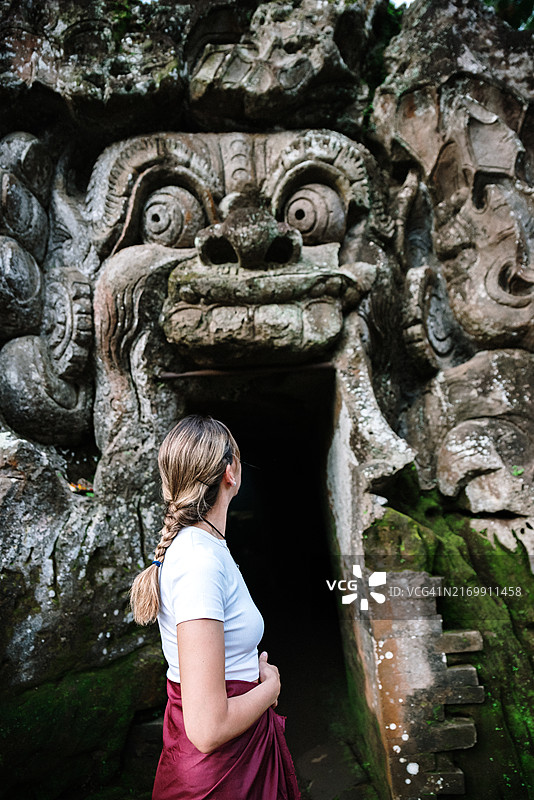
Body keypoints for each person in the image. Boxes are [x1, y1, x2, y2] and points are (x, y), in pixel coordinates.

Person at [130, 414, 301, 800]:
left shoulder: (206, 549)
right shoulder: (198, 561)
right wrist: (269, 686)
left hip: (236, 760)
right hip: (221, 775)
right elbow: (208, 729)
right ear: (231, 472)